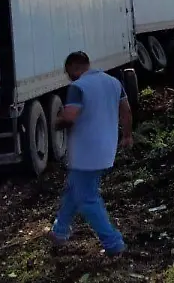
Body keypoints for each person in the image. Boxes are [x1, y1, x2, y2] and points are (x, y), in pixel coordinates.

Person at [50, 51, 134, 256]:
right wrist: (127, 135)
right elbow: (126, 110)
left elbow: (69, 117)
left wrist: (56, 122)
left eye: (67, 71)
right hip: (106, 148)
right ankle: (59, 231)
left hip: (86, 152)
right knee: (73, 189)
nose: (67, 75)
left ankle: (114, 243)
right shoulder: (113, 82)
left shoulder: (77, 87)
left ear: (74, 68)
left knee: (87, 199)